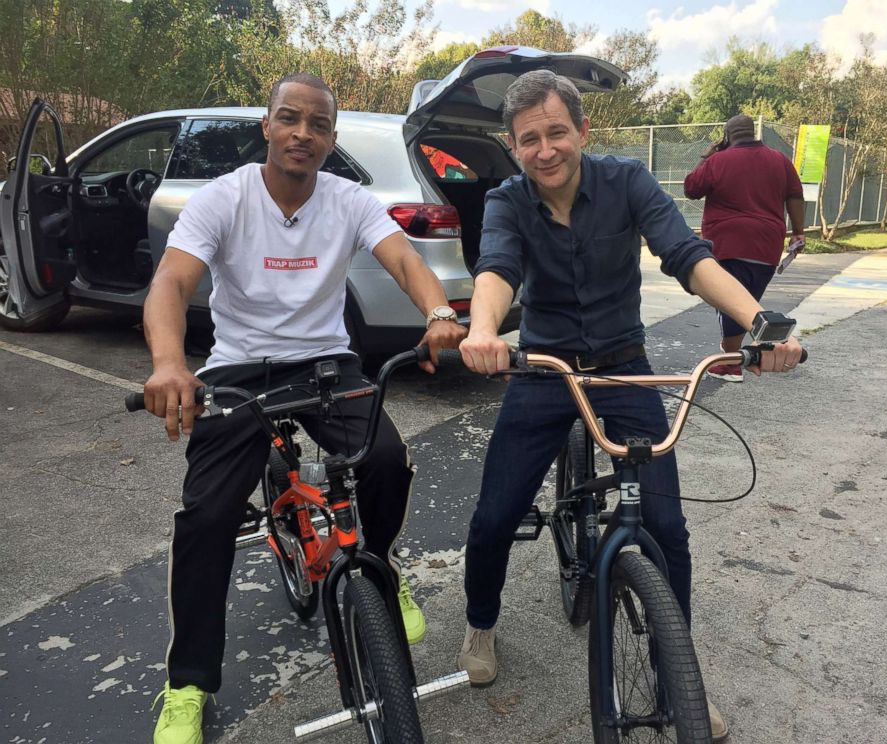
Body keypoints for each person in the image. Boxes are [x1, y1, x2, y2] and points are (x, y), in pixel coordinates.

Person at [453, 70, 804, 742]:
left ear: (583, 130)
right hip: (546, 369)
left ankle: (679, 677)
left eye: (558, 132)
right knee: (495, 513)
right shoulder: (507, 200)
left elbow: (688, 255)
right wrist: (482, 330)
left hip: (623, 367)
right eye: (530, 139)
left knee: (668, 528)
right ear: (514, 145)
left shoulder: (627, 182)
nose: (546, 148)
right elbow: (498, 267)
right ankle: (480, 623)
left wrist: (760, 322)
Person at [143, 72, 466, 743]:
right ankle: (188, 684)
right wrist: (171, 364)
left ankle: (379, 569)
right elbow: (172, 280)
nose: (302, 134)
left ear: (331, 138)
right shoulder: (223, 198)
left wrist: (438, 311)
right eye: (289, 119)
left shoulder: (349, 200)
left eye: (317, 124)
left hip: (326, 362)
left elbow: (404, 261)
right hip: (238, 368)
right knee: (206, 518)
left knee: (386, 460)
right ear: (267, 125)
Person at [684, 114, 806, 383]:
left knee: (728, 301)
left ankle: (730, 363)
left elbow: (691, 188)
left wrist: (707, 155)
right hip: (766, 246)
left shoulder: (718, 160)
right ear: (753, 133)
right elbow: (795, 196)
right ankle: (741, 353)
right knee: (745, 301)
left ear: (728, 136)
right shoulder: (780, 160)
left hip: (728, 242)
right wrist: (798, 232)